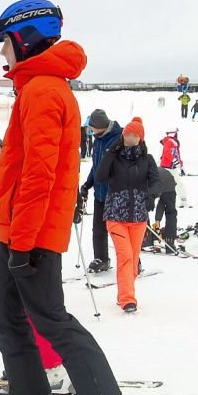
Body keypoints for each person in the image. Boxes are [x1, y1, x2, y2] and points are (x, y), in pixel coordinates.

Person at [0, 0, 128, 395]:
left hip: (33, 232)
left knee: (49, 317)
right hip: (18, 229)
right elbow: (20, 168)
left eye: (5, 43)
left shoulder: (45, 91)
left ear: (24, 41)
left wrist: (25, 242)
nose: (1, 53)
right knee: (5, 310)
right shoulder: (35, 89)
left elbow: (40, 174)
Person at [96, 116, 160, 313]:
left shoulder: (147, 160)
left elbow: (156, 181)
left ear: (141, 138)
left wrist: (151, 196)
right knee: (124, 256)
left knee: (133, 258)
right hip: (116, 214)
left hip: (138, 216)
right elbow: (100, 177)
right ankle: (127, 299)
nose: (130, 138)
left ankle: (124, 292)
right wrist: (110, 153)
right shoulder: (114, 156)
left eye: (135, 135)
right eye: (127, 134)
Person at [78, 109, 120, 273]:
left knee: (119, 231)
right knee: (98, 229)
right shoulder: (98, 140)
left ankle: (131, 260)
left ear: (99, 126)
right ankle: (101, 259)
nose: (90, 131)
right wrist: (88, 184)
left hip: (116, 194)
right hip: (100, 194)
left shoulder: (118, 138)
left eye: (92, 127)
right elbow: (97, 166)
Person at [146, 165, 180, 252]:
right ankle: (170, 242)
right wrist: (157, 220)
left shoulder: (142, 171)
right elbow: (162, 203)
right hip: (169, 182)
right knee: (171, 212)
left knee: (143, 210)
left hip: (152, 183)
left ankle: (146, 239)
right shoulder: (159, 170)